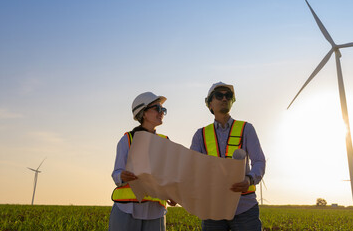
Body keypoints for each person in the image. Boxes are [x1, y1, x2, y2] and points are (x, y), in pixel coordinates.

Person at [190, 82, 266, 231]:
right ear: (210, 103)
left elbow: (259, 161)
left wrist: (249, 179)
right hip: (213, 209)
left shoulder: (246, 129)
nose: (224, 98)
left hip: (245, 207)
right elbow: (192, 168)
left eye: (228, 95)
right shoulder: (200, 135)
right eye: (219, 95)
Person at [109, 91, 176, 231]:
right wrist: (122, 176)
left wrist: (174, 193)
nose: (161, 112)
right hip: (127, 209)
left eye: (163, 109)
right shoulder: (127, 140)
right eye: (157, 109)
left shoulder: (165, 142)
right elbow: (116, 172)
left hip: (155, 212)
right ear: (143, 113)